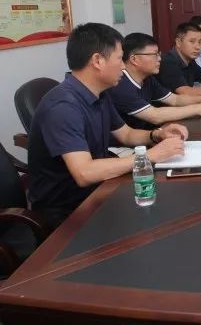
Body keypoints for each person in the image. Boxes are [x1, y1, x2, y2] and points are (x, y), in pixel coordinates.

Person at [28, 23, 188, 228]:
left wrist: (157, 134)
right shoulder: (63, 107)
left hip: (98, 189)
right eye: (120, 59)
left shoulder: (99, 93)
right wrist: (149, 156)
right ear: (97, 61)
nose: (124, 66)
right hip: (68, 211)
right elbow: (84, 173)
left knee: (168, 206)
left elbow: (126, 134)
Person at [109, 32, 201, 130]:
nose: (159, 59)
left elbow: (175, 99)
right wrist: (198, 109)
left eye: (159, 54)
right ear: (134, 59)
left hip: (148, 135)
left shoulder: (148, 78)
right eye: (154, 55)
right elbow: (154, 116)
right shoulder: (121, 85)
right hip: (124, 147)